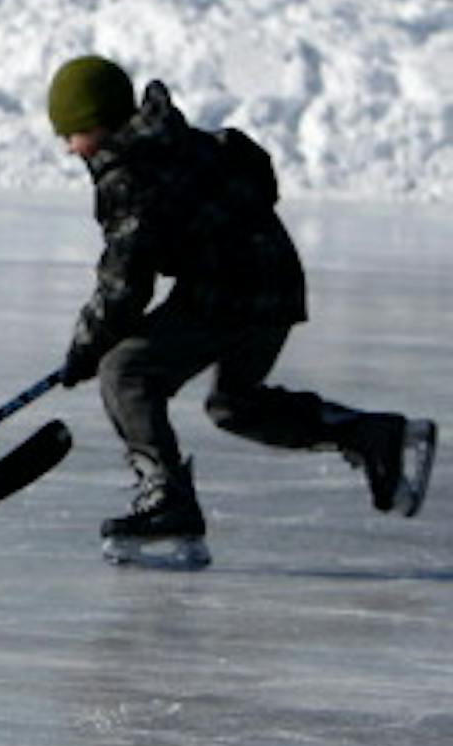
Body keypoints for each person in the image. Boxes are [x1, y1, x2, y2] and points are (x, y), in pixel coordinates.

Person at [45, 55, 435, 569]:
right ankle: (371, 433)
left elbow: (125, 283)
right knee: (235, 405)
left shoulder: (129, 173)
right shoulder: (173, 139)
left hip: (230, 291)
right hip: (273, 281)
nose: (70, 148)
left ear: (96, 122)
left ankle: (168, 502)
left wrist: (87, 347)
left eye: (72, 134)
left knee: (126, 370)